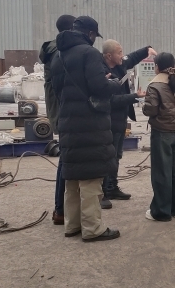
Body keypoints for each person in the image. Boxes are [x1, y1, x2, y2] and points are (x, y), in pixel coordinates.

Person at [51, 16, 123, 242]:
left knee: (73, 178)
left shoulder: (58, 56)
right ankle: (93, 228)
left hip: (67, 122)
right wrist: (113, 84)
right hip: (90, 124)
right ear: (90, 33)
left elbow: (57, 90)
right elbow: (99, 86)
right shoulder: (89, 53)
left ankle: (72, 225)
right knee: (91, 178)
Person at [101, 40, 157, 204]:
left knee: (116, 156)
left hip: (120, 120)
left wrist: (147, 50)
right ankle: (102, 192)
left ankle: (112, 187)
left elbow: (131, 58)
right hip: (107, 121)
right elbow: (110, 100)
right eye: (119, 52)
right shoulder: (101, 72)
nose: (122, 55)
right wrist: (134, 97)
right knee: (107, 157)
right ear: (109, 56)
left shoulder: (119, 66)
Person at [142, 52, 175, 222]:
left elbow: (150, 110)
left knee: (162, 172)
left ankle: (161, 212)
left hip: (162, 133)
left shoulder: (155, 85)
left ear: (157, 67)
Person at [39, 14, 76, 226]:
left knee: (67, 158)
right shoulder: (58, 50)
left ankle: (63, 209)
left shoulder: (57, 49)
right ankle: (60, 210)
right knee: (66, 160)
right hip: (63, 111)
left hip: (61, 110)